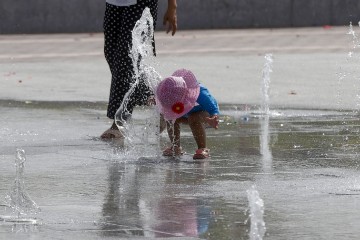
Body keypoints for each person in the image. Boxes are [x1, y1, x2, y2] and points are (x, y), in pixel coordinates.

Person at [101, 0, 178, 139]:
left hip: (141, 3)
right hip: (114, 3)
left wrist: (172, 6)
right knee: (111, 54)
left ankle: (119, 123)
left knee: (126, 59)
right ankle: (160, 102)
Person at [155, 69, 220, 159]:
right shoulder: (169, 96)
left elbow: (213, 108)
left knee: (194, 118)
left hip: (204, 114)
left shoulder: (200, 92)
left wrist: (214, 117)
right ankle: (175, 146)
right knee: (171, 119)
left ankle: (202, 148)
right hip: (185, 114)